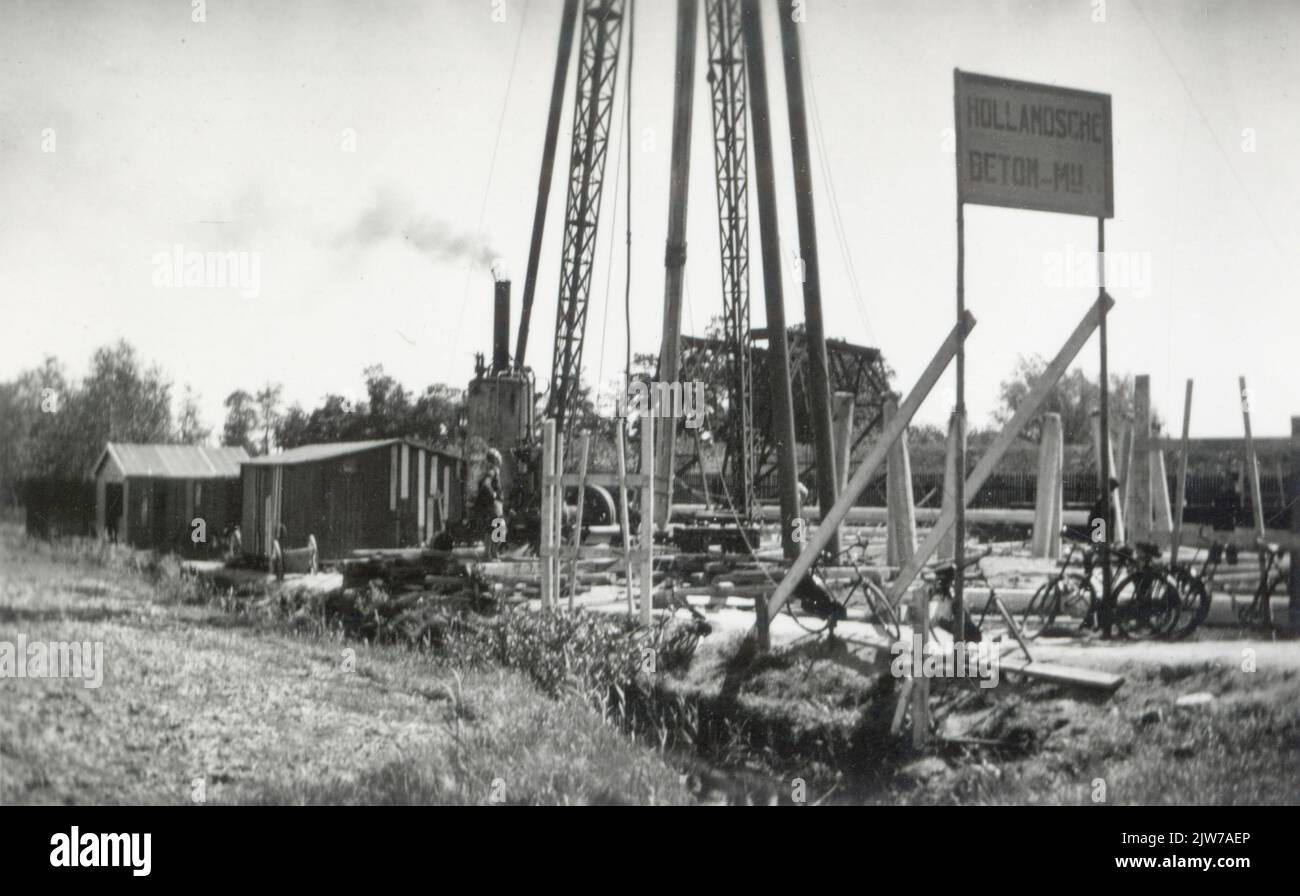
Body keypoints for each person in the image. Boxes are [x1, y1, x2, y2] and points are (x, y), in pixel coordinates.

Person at [476, 448, 504, 559]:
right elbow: (486, 485)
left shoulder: (487, 470)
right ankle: (494, 553)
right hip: (495, 505)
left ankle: (488, 554)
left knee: (490, 528)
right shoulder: (493, 471)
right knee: (500, 529)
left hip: (489, 506)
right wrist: (494, 495)